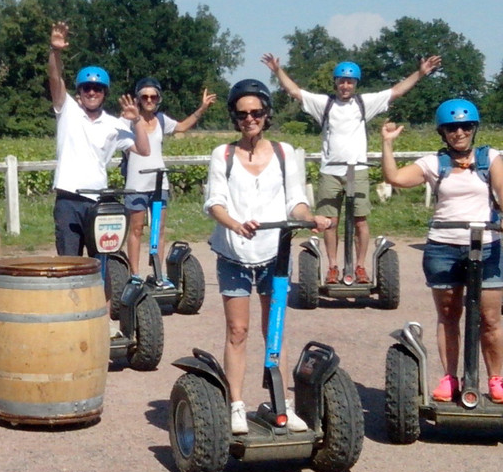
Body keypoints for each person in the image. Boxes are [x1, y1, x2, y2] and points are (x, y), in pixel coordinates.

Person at [204, 79, 332, 434]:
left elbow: (296, 201)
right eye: (243, 114)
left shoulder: (285, 153)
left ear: (266, 114)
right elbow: (214, 202)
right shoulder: (223, 155)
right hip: (234, 254)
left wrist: (310, 218)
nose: (250, 119)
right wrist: (234, 224)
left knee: (274, 330)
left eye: (256, 112)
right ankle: (236, 406)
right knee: (238, 330)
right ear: (235, 117)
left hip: (274, 254)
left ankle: (282, 404)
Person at [380, 99, 503, 403]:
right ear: (442, 132)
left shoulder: (489, 157)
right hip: (443, 246)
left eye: (465, 126)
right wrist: (387, 144)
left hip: (486, 246)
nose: (459, 132)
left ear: (474, 129)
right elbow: (395, 179)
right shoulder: (434, 163)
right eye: (452, 127)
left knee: (490, 318)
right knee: (448, 315)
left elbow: (502, 190)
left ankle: (495, 379)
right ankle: (450, 378)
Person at [262, 53, 442, 284]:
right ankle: (333, 267)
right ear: (336, 82)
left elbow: (396, 91)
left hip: (357, 171)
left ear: (355, 84)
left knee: (360, 220)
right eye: (341, 81)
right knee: (330, 221)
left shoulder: (363, 103)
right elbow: (295, 92)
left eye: (350, 82)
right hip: (331, 171)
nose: (345, 85)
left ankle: (359, 267)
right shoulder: (325, 104)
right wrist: (277, 71)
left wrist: (420, 72)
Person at [48, 21, 149, 256]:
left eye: (98, 89)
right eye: (86, 88)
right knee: (70, 264)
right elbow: (54, 78)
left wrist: (137, 121)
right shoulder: (68, 110)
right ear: (79, 92)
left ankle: (104, 295)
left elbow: (143, 150)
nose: (92, 93)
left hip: (98, 201)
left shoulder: (114, 124)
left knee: (100, 263)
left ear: (105, 93)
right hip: (68, 200)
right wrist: (55, 52)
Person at [123, 77, 216, 283]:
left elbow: (182, 127)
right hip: (136, 184)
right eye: (145, 96)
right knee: (136, 229)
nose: (149, 100)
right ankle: (134, 274)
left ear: (158, 99)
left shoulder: (162, 120)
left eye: (153, 96)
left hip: (159, 182)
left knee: (159, 228)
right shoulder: (127, 121)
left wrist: (202, 108)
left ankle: (158, 272)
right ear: (138, 98)